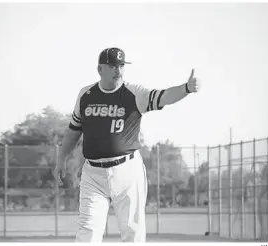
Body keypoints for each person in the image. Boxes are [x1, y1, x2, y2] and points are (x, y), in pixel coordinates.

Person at [53, 47, 200, 242]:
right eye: (113, 66)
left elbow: (163, 96)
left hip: (127, 171)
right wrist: (61, 159)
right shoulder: (86, 95)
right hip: (93, 175)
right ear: (100, 69)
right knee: (86, 234)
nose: (118, 70)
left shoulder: (134, 93)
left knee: (133, 234)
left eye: (121, 66)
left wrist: (186, 88)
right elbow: (74, 129)